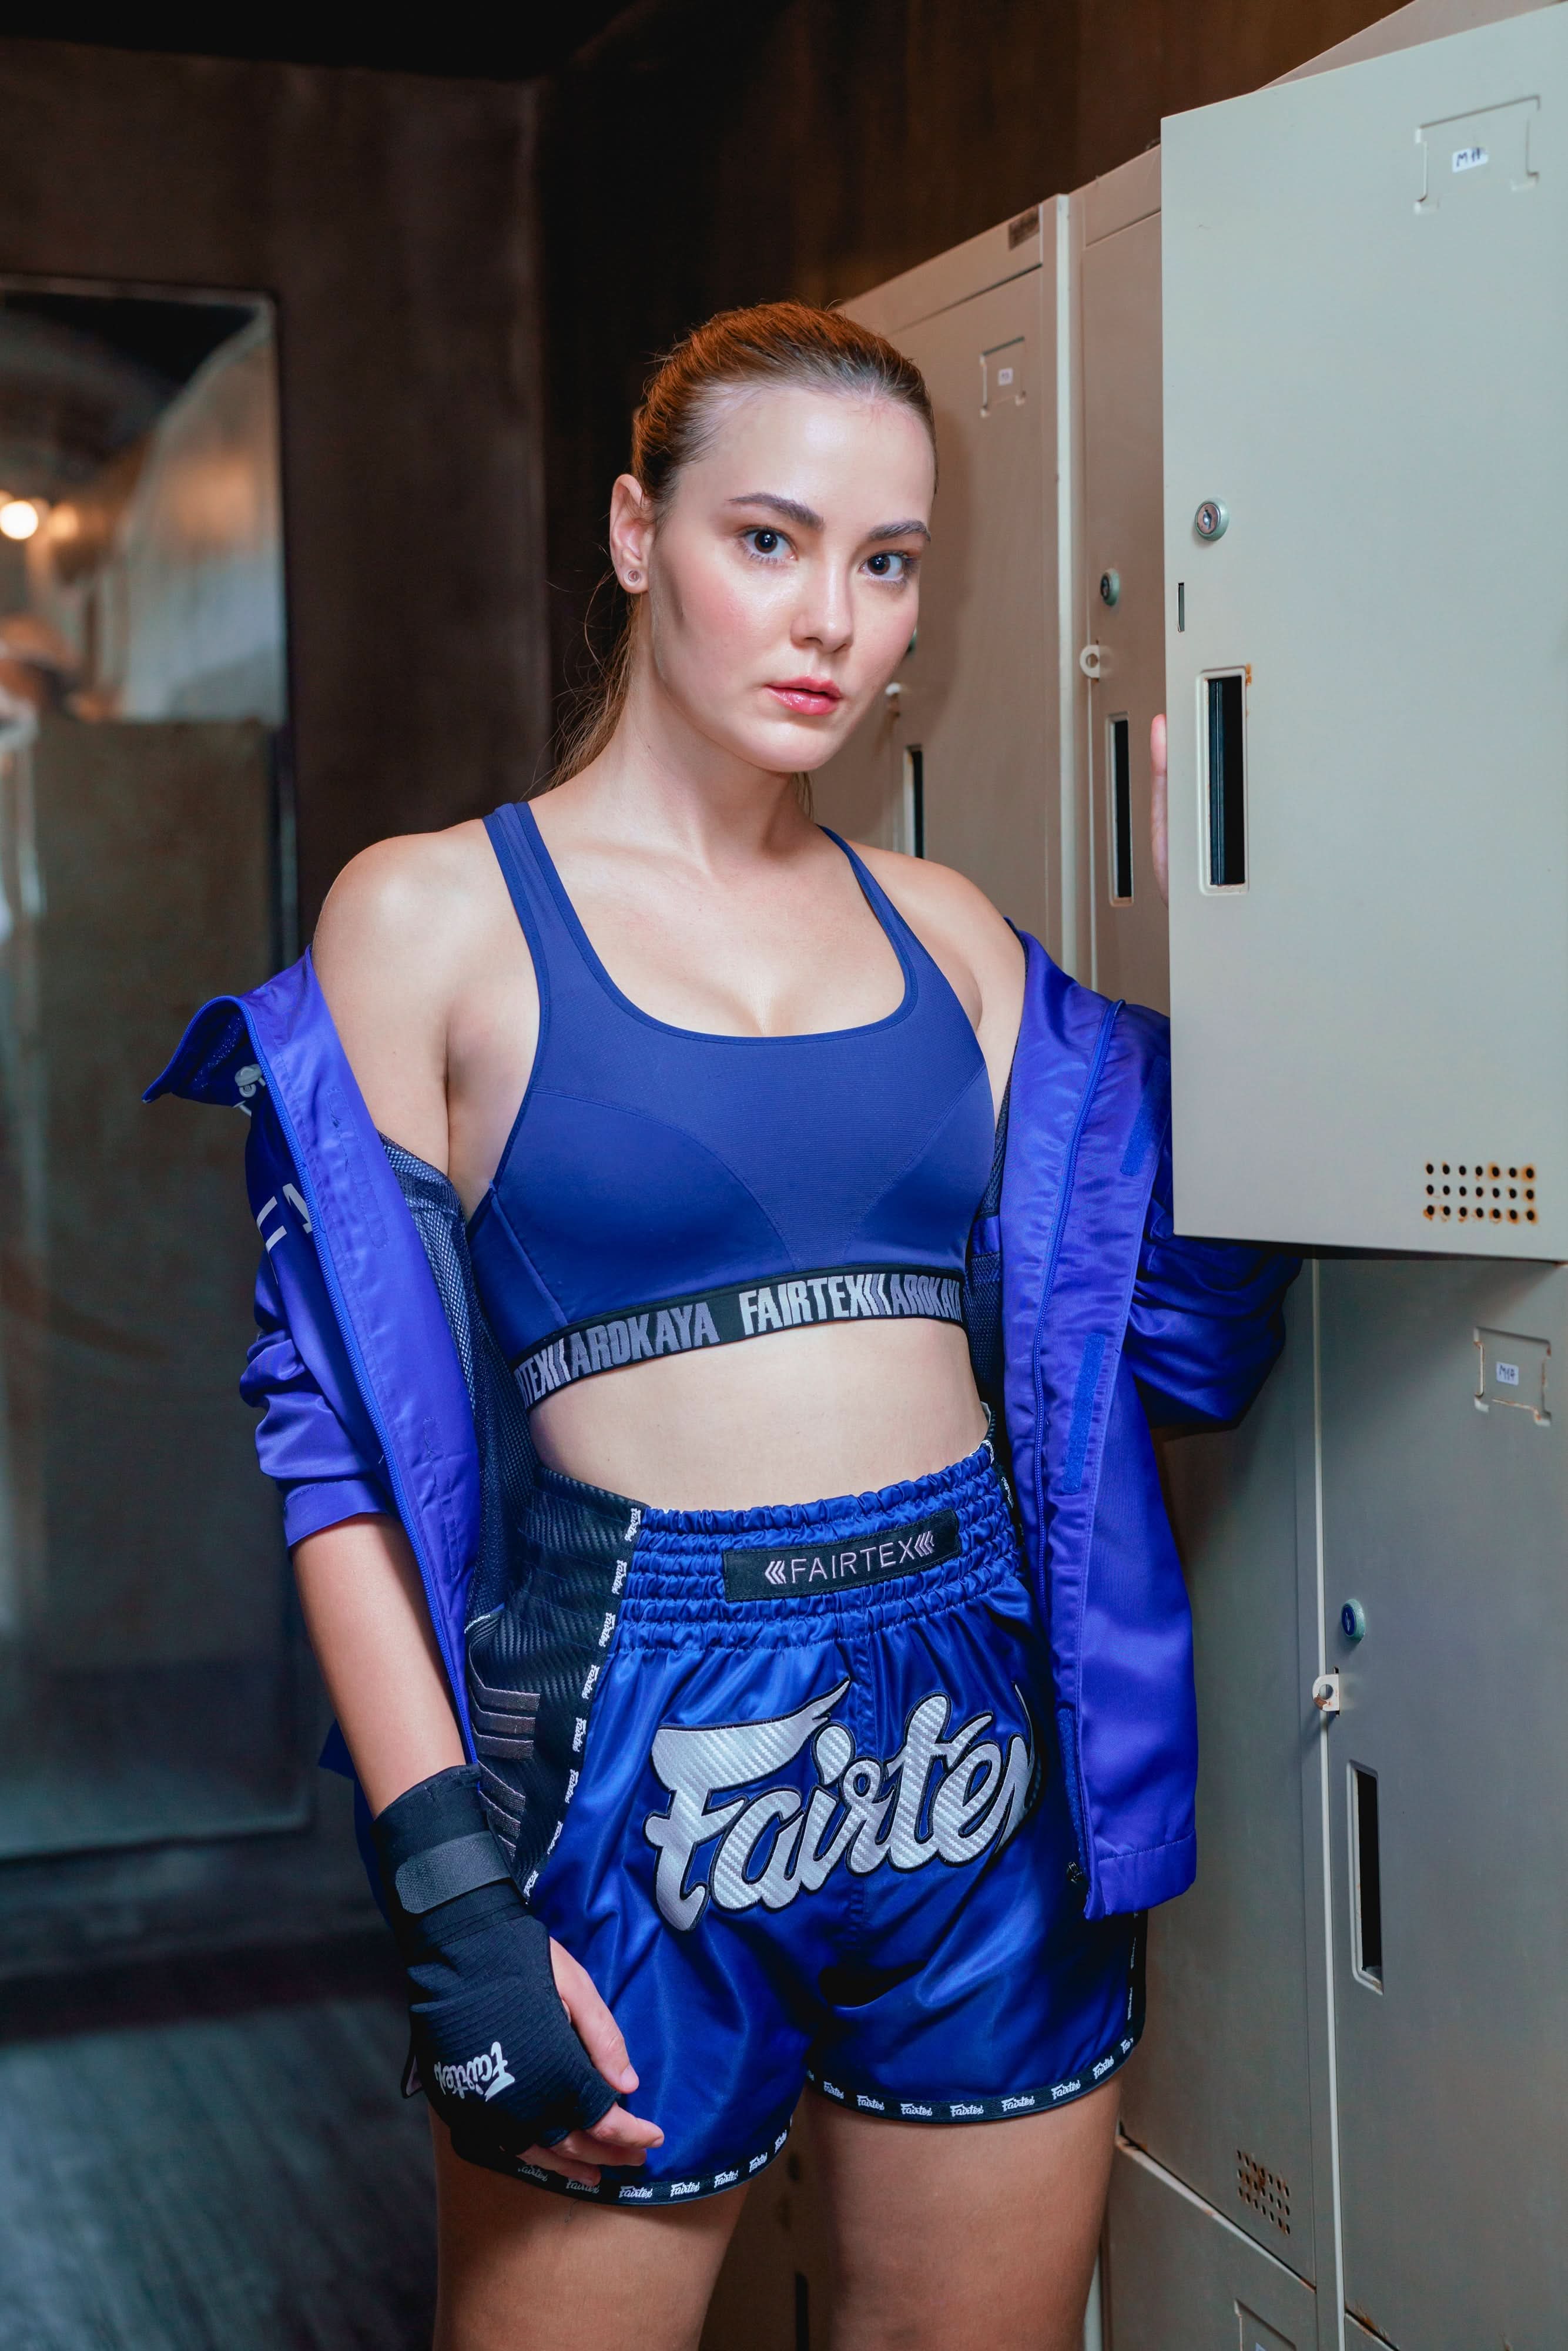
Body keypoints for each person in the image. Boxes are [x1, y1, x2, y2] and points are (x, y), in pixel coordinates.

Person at [151, 303, 1295, 2351]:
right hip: (640, 1737)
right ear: (633, 532)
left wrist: (1252, 879)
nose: (831, 619)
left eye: (887, 560)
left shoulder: (949, 936)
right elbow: (331, 1445)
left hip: (977, 1736)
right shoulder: (431, 916)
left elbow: (1179, 1306)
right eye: (767, 540)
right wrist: (448, 1893)